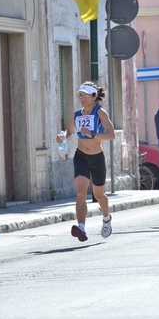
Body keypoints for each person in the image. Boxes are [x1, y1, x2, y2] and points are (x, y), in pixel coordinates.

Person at [56, 81, 115, 242]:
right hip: (81, 156)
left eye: (85, 95)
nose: (81, 98)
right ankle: (81, 228)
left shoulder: (100, 112)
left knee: (99, 195)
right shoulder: (77, 114)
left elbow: (111, 135)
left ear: (94, 96)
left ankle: (106, 219)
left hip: (97, 158)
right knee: (81, 192)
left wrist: (93, 134)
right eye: (80, 95)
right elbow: (69, 131)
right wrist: (63, 137)